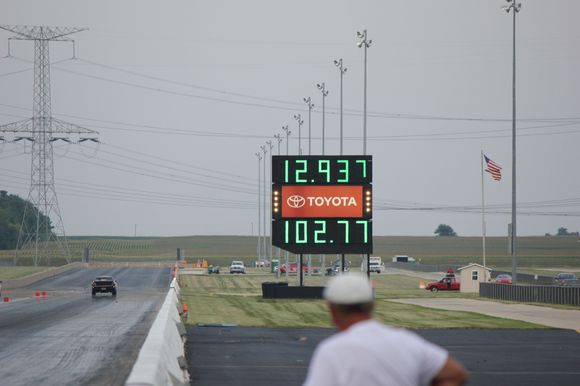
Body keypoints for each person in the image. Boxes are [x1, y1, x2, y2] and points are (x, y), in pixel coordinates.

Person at [303, 273, 468, 386]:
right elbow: (456, 374)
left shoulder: (332, 350)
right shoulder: (406, 341)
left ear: (332, 309)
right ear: (372, 305)